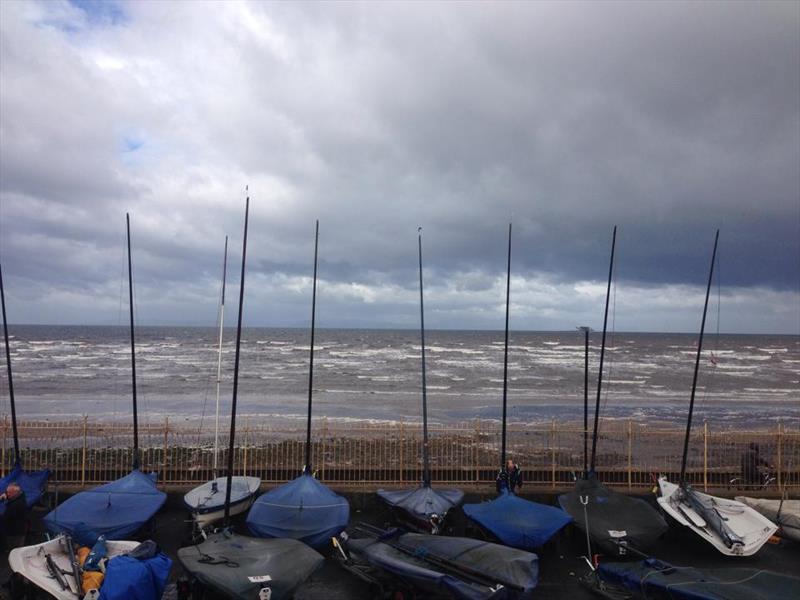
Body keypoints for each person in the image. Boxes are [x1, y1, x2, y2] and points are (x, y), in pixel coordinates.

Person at [0, 482, 27, 550]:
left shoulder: (15, 504)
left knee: (14, 552)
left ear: (15, 493)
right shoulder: (21, 497)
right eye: (7, 492)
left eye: (9, 493)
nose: (7, 494)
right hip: (19, 531)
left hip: (15, 533)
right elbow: (12, 499)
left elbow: (5, 518)